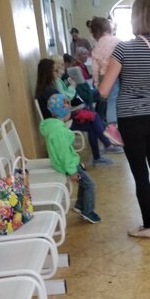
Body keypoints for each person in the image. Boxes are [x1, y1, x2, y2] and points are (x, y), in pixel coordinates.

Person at [98, 0, 150, 239]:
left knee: (140, 172)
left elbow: (104, 90)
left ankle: (148, 226)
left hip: (130, 120)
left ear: (135, 18)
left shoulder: (124, 48)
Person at [35, 58, 122, 167]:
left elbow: (61, 106)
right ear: (48, 72)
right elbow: (62, 109)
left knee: (92, 120)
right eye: (55, 70)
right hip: (60, 122)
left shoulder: (44, 89)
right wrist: (74, 110)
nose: (58, 73)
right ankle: (105, 148)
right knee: (93, 119)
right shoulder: (50, 91)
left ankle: (104, 149)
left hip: (57, 120)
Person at [40, 93, 100, 223]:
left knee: (84, 183)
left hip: (63, 163)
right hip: (68, 165)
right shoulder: (60, 132)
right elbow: (64, 154)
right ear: (65, 113)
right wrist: (72, 171)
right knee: (90, 185)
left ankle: (79, 206)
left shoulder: (52, 126)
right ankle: (88, 211)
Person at [89, 16, 124, 146]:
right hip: (119, 73)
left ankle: (112, 126)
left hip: (105, 76)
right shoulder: (117, 41)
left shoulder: (97, 46)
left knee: (111, 101)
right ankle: (114, 126)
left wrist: (97, 83)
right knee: (119, 100)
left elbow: (95, 69)